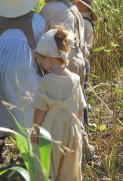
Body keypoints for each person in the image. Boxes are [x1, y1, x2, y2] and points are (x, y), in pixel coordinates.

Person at [0, 0, 46, 165]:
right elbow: (43, 50)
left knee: (0, 108)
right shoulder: (37, 20)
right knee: (28, 109)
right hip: (21, 65)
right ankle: (32, 160)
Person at [31, 27, 86, 181]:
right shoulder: (75, 79)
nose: (42, 64)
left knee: (48, 165)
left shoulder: (46, 81)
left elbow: (40, 110)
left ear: (48, 58)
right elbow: (80, 108)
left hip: (51, 130)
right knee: (69, 166)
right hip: (71, 129)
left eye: (41, 60)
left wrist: (35, 132)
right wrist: (78, 127)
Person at [37, 0, 86, 87]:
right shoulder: (73, 8)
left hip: (62, 64)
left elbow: (39, 35)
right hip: (79, 60)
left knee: (58, 103)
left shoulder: (51, 8)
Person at [69, 0, 98, 160]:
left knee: (81, 99)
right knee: (81, 97)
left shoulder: (83, 22)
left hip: (81, 62)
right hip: (82, 62)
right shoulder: (82, 20)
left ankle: (84, 131)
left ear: (82, 4)